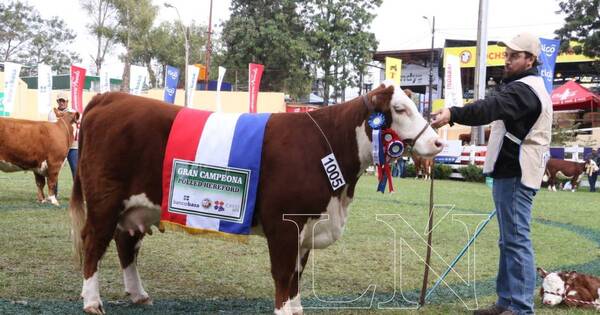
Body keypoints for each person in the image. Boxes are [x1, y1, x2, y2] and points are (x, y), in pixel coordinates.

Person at [432, 32, 552, 315]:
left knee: (516, 239)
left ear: (530, 59)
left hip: (515, 173)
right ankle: (507, 303)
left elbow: (490, 108)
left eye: (514, 56)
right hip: (513, 172)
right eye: (506, 54)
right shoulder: (527, 88)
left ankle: (520, 308)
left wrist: (453, 113)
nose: (506, 61)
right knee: (509, 239)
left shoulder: (524, 90)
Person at [48, 92, 79, 179]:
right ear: (57, 101)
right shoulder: (52, 113)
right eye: (60, 101)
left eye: (63, 101)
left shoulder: (73, 112)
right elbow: (52, 130)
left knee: (75, 169)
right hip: (57, 146)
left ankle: (77, 192)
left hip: (73, 145)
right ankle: (54, 193)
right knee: (54, 169)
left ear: (67, 102)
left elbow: (77, 126)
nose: (61, 103)